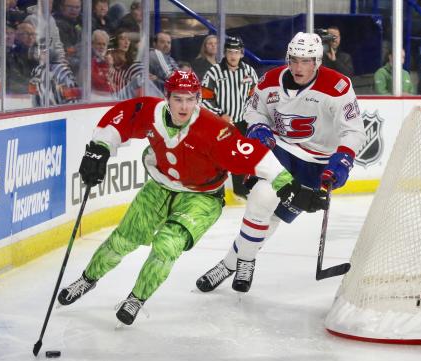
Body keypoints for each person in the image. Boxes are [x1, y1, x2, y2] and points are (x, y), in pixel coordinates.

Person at [57, 70, 325, 325]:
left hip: (202, 198)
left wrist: (292, 188)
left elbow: (256, 156)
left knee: (167, 246)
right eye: (177, 99)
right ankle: (86, 279)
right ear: (167, 97)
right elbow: (122, 117)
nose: (183, 107)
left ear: (198, 99)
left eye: (190, 99)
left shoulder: (214, 129)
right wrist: (99, 149)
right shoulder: (150, 112)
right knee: (123, 239)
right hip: (159, 187)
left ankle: (136, 299)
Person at [195, 32, 366, 293]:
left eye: (306, 61)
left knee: (274, 218)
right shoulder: (270, 81)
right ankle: (246, 261)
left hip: (317, 162)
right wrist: (260, 127)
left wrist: (342, 160)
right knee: (262, 199)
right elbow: (253, 111)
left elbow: (353, 130)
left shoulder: (337, 86)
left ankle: (231, 263)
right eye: (294, 60)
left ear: (317, 61)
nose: (298, 67)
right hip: (281, 150)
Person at [201, 36, 258, 199]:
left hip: (242, 122)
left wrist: (250, 115)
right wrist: (220, 113)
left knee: (241, 156)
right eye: (230, 52)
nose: (233, 55)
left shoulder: (249, 71)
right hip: (219, 123)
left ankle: (240, 189)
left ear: (241, 53)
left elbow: (254, 96)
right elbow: (205, 97)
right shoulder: (213, 72)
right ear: (225, 53)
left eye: (236, 52)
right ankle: (214, 190)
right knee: (218, 157)